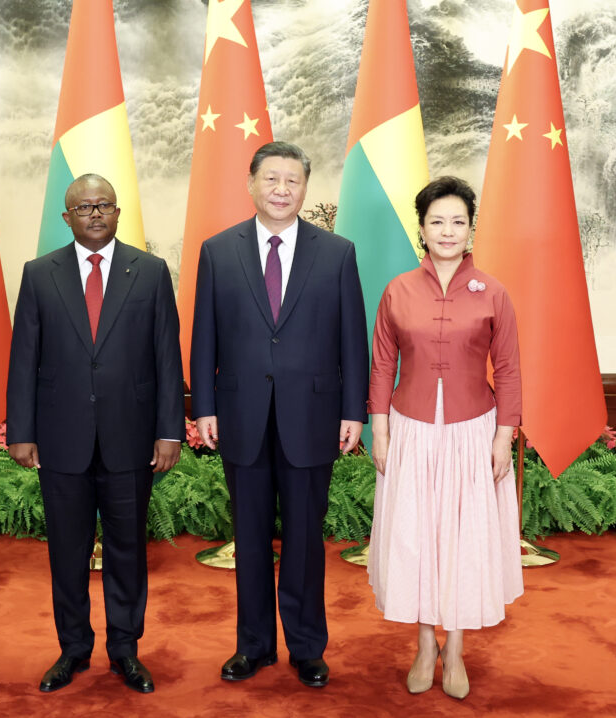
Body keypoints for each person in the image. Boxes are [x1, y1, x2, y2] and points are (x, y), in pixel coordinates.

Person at [190, 141, 368, 688]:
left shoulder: (336, 252)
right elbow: (203, 336)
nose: (282, 190)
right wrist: (204, 406)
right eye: (271, 179)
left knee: (305, 540)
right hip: (240, 415)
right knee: (248, 538)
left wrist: (353, 411)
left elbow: (353, 339)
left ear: (305, 189)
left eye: (293, 180)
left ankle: (307, 647)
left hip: (312, 417)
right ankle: (254, 645)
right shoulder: (218, 251)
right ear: (251, 184)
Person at [6, 174, 184, 694]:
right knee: (68, 552)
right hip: (61, 439)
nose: (95, 214)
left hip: (131, 435)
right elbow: (24, 359)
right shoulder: (39, 274)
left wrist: (170, 430)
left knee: (128, 550)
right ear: (67, 218)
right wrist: (21, 431)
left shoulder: (149, 271)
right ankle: (73, 649)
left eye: (104, 204)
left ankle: (125, 649)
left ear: (118, 212)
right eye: (84, 207)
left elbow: (166, 356)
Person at [366, 176, 523, 700]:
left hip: (472, 430)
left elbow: (509, 369)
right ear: (422, 229)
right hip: (410, 429)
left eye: (458, 221)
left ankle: (454, 650)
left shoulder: (493, 292)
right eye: (437, 221)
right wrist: (380, 431)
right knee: (418, 535)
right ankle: (424, 645)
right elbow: (381, 365)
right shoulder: (398, 290)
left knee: (461, 538)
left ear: (471, 228)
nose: (448, 231)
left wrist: (503, 437)